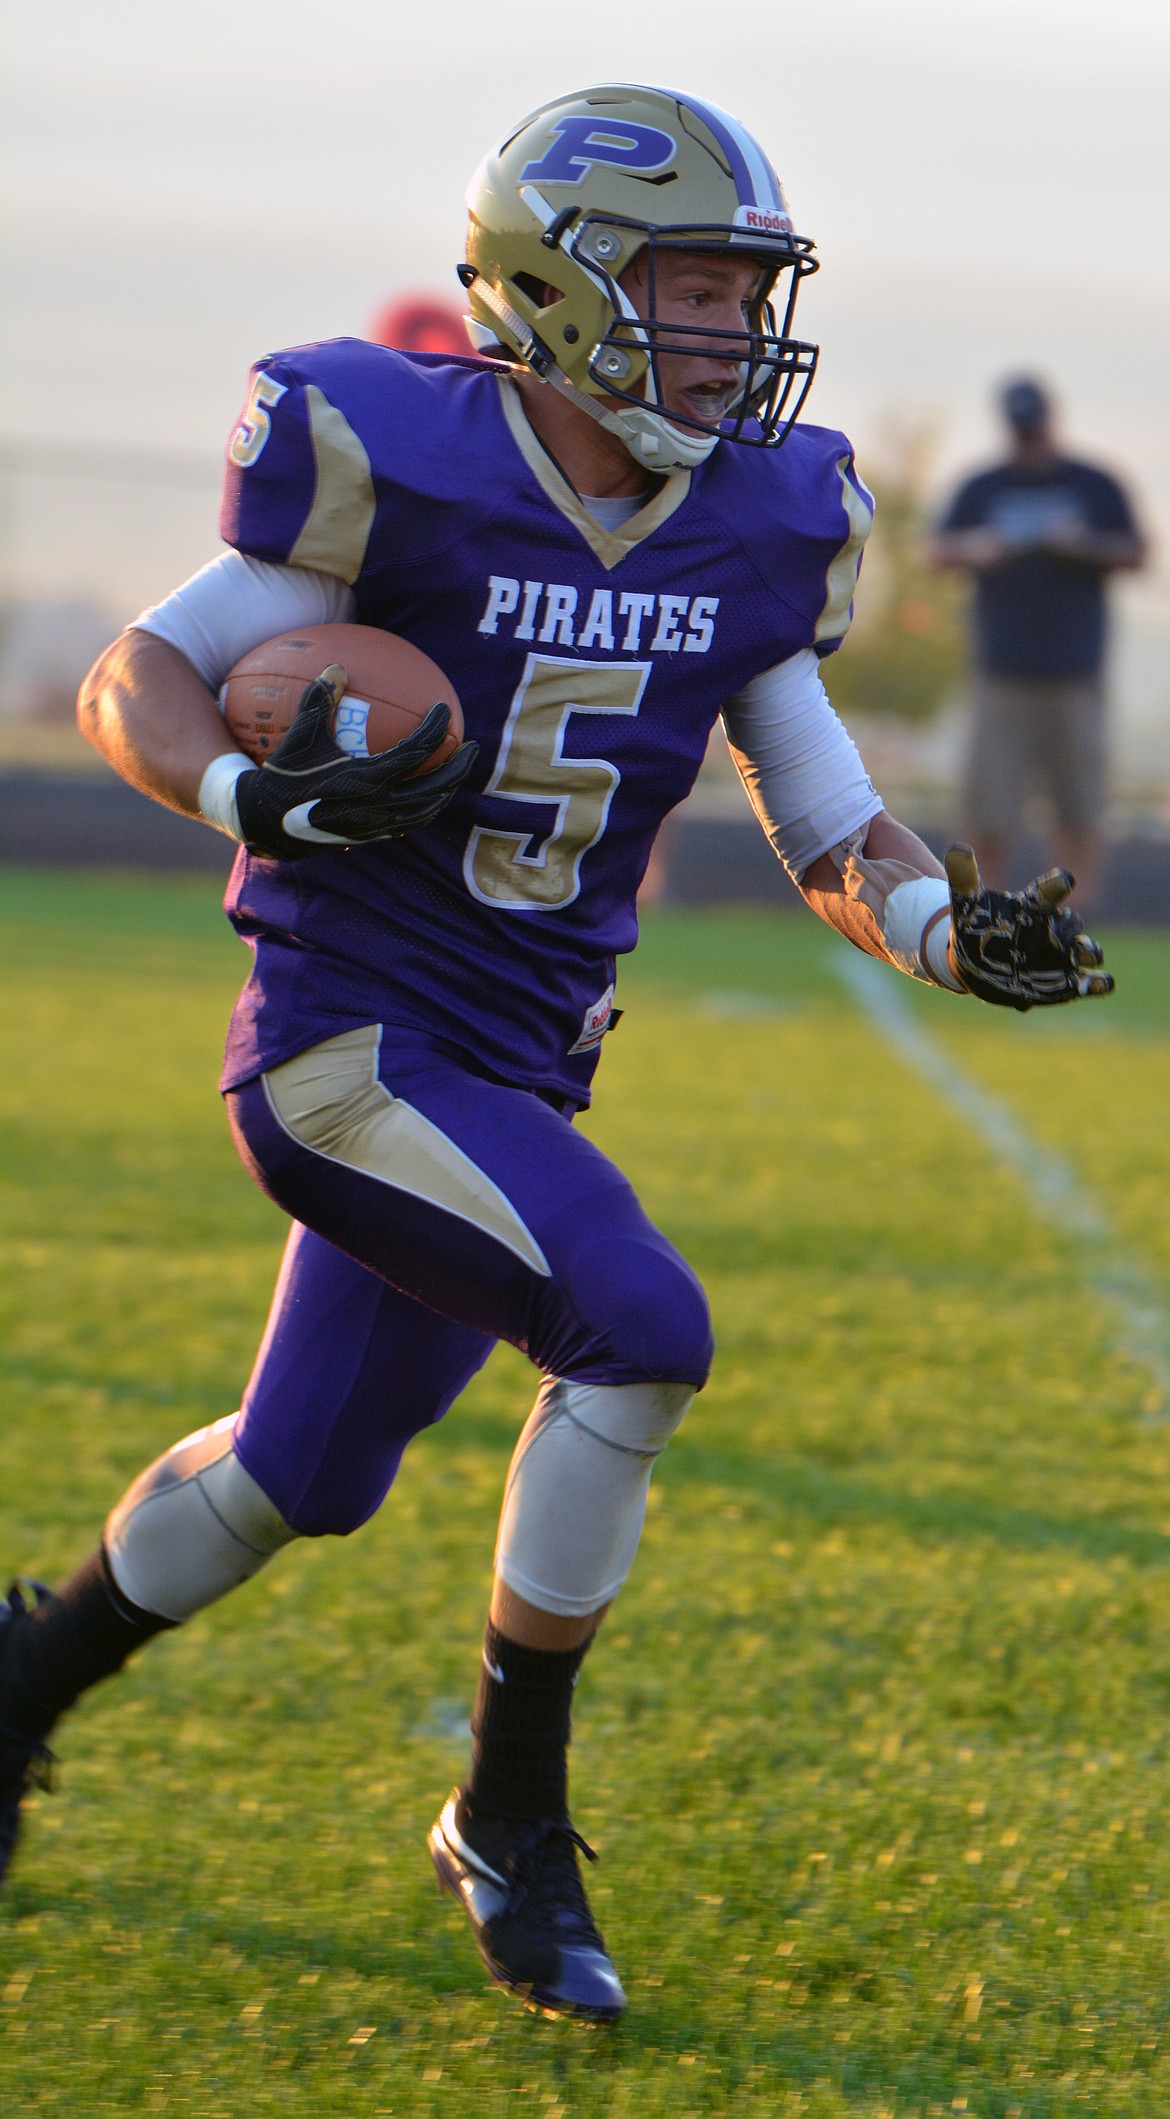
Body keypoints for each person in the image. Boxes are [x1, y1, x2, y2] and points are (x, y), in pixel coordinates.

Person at [0, 86, 1112, 2023]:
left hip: (514, 1067)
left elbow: (831, 817)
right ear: (554, 282)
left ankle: (22, 1673)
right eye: (690, 289)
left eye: (744, 291)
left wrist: (944, 927)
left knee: (296, 1474)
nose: (727, 332)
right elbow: (140, 679)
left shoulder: (764, 517)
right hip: (346, 1048)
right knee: (641, 1327)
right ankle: (509, 1815)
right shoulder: (400, 455)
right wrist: (245, 787)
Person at [930, 377, 1146, 913]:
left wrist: (1084, 546)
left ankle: (1073, 922)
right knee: (987, 813)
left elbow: (1137, 552)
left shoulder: (1094, 483)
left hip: (1075, 674)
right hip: (1001, 673)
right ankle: (979, 919)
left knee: (1079, 809)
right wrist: (975, 549)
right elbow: (937, 550)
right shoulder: (982, 486)